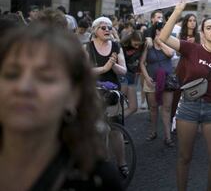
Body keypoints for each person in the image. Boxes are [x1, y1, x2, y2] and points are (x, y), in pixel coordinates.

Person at [0, 24, 123, 190]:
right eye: (11, 74)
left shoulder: (97, 180)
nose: (23, 87)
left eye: (45, 77)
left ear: (73, 94)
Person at [159, 0, 211, 191]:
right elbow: (164, 36)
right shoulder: (191, 49)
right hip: (189, 107)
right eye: (208, 27)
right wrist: (177, 11)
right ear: (202, 33)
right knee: (185, 157)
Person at [85, 17, 129, 178]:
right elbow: (84, 71)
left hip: (112, 94)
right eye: (103, 27)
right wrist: (104, 68)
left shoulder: (116, 46)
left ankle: (122, 163)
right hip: (93, 93)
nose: (107, 30)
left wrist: (114, 64)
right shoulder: (88, 47)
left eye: (109, 27)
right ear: (95, 30)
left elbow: (124, 71)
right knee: (98, 130)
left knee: (116, 130)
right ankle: (102, 163)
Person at [140, 21, 176, 146]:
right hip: (151, 81)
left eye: (165, 30)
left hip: (167, 81)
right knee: (153, 108)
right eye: (160, 30)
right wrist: (146, 77)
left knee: (166, 109)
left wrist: (160, 42)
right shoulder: (148, 45)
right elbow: (142, 63)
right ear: (155, 31)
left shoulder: (169, 43)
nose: (162, 32)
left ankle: (168, 137)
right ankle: (153, 132)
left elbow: (170, 54)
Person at [120, 30, 145, 117]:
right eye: (135, 44)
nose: (138, 47)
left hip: (132, 76)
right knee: (119, 105)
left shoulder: (143, 45)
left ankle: (116, 123)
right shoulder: (122, 45)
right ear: (131, 39)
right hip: (122, 76)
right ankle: (114, 124)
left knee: (134, 107)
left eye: (139, 45)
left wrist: (149, 38)